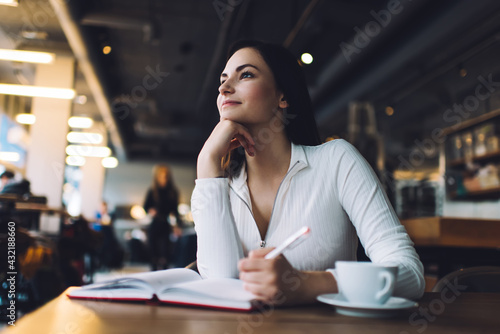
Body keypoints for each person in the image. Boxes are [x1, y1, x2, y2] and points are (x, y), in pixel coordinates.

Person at [191, 40, 425, 306]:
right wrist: (207, 161)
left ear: (283, 96)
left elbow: (411, 274)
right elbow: (221, 285)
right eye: (222, 80)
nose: (224, 88)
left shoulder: (336, 161)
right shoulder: (216, 186)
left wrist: (307, 284)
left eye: (245, 74)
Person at [144, 164, 182, 271]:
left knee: (165, 252)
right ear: (157, 177)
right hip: (155, 223)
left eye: (165, 176)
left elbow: (175, 211)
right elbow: (145, 207)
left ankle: (164, 273)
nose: (163, 179)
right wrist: (151, 211)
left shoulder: (173, 192)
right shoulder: (152, 191)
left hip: (165, 224)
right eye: (161, 176)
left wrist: (178, 226)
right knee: (153, 251)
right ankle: (153, 272)